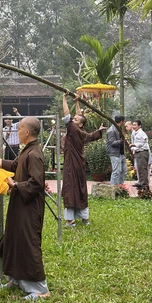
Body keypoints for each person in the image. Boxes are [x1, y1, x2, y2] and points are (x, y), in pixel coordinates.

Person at [0, 117, 49, 300]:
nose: (17, 132)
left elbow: (37, 184)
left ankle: (41, 289)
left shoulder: (34, 154)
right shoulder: (26, 151)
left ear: (27, 132)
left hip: (29, 207)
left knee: (28, 242)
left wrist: (15, 186)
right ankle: (16, 279)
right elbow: (13, 166)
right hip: (20, 204)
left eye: (19, 129)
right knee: (15, 239)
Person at [61, 94, 105, 226]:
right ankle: (84, 218)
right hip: (79, 165)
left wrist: (64, 98)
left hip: (71, 165)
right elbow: (80, 117)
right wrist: (77, 103)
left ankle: (70, 220)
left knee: (70, 188)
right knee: (80, 188)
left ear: (79, 124)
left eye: (75, 120)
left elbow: (67, 114)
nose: (73, 120)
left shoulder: (73, 128)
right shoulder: (82, 132)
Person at [129, 120, 151, 192]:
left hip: (142, 152)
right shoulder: (135, 133)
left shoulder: (141, 133)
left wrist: (133, 145)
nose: (134, 126)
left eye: (135, 125)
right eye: (133, 125)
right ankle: (141, 183)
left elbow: (141, 143)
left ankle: (145, 185)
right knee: (139, 168)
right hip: (138, 152)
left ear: (139, 126)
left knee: (143, 169)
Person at [105, 115, 126, 186]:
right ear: (121, 121)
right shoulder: (111, 130)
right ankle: (113, 188)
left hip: (121, 153)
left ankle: (120, 187)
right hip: (114, 153)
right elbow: (112, 143)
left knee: (123, 170)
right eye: (124, 121)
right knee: (116, 171)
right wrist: (121, 141)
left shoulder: (118, 129)